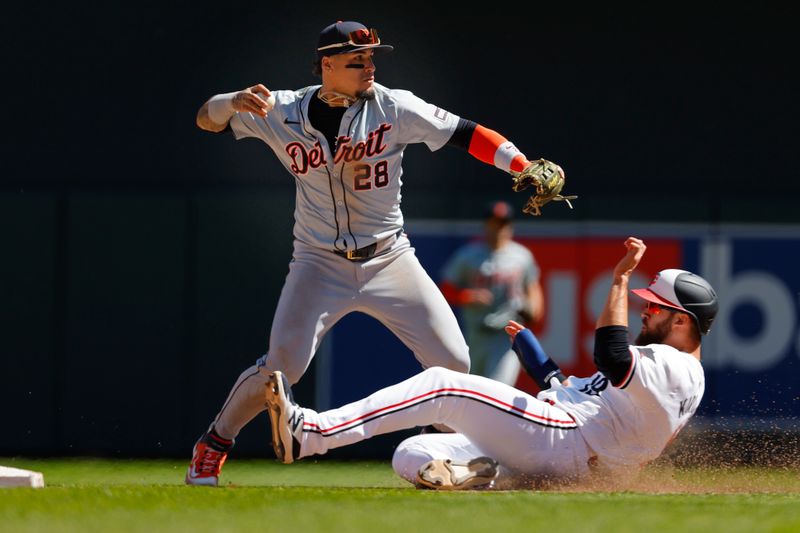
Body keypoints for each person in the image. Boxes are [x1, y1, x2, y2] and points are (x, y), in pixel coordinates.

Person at [186, 20, 565, 486]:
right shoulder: (279, 109)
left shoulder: (393, 105)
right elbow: (207, 118)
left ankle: (444, 455)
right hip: (318, 263)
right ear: (327, 65)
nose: (368, 66)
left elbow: (468, 133)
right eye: (355, 60)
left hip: (390, 258)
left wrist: (520, 163)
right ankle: (215, 443)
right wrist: (230, 100)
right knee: (282, 366)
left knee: (454, 362)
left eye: (370, 58)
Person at [263, 237, 719, 490]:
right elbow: (603, 391)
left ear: (681, 320)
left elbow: (612, 357)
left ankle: (310, 435)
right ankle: (488, 478)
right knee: (416, 454)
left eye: (654, 307)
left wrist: (620, 279)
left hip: (566, 440)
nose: (644, 309)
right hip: (567, 450)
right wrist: (545, 369)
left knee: (444, 385)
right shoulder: (669, 367)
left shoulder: (677, 367)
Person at [439, 200, 544, 385]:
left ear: (510, 226)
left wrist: (534, 309)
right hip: (474, 335)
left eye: (503, 224)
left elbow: (533, 289)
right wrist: (467, 296)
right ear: (486, 225)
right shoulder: (469, 255)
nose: (498, 229)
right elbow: (445, 289)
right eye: (494, 223)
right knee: (472, 392)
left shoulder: (521, 256)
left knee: (498, 388)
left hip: (507, 337)